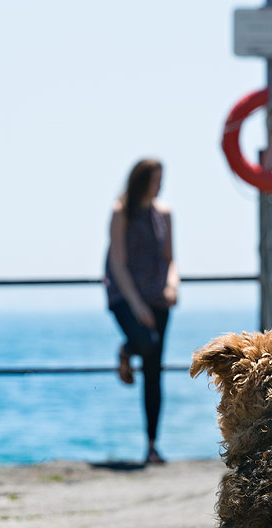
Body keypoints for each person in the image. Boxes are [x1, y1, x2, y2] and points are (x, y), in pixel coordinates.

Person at [104, 158, 179, 464]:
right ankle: (125, 351)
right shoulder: (120, 212)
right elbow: (117, 262)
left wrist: (173, 286)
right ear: (140, 181)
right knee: (145, 342)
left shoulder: (165, 214)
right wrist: (136, 305)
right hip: (125, 295)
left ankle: (151, 445)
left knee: (153, 371)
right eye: (154, 179)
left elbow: (170, 259)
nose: (159, 186)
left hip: (158, 296)